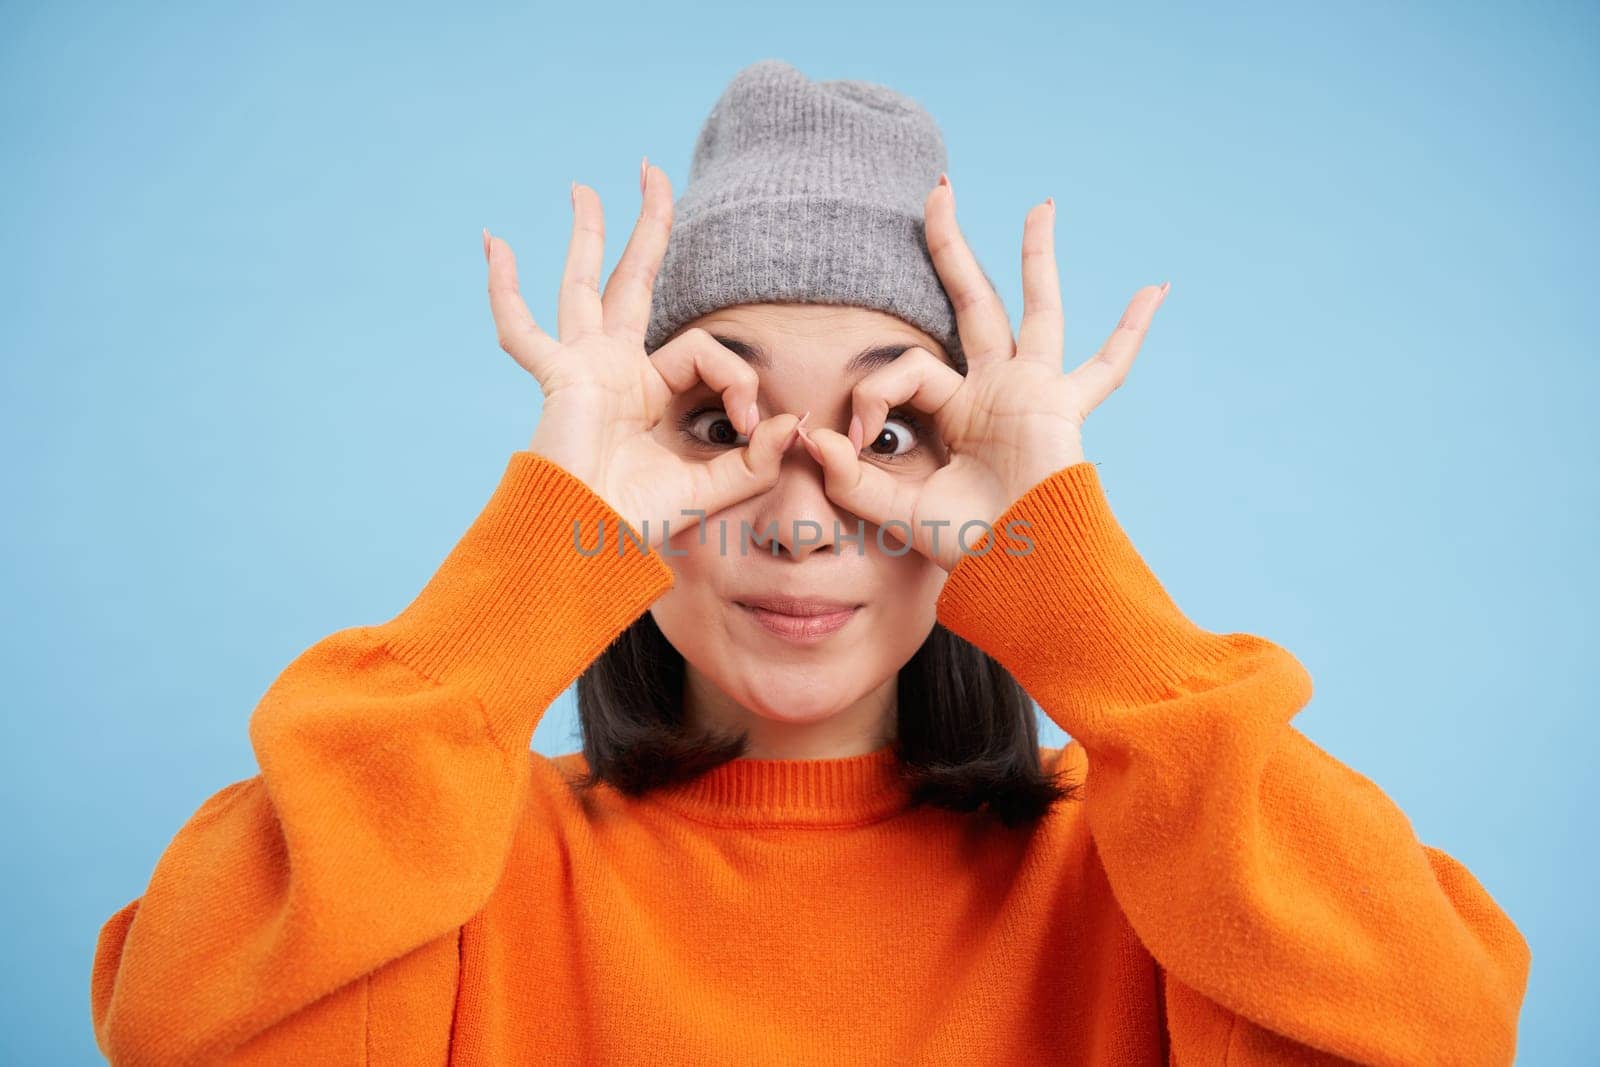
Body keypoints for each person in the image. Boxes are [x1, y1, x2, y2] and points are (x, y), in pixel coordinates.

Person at [90, 58, 1529, 1065]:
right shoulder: (451, 867)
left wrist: (1072, 569)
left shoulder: (1159, 873)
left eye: (891, 434)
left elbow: (1442, 1028)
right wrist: (548, 533)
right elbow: (182, 1021)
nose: (798, 517)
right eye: (719, 425)